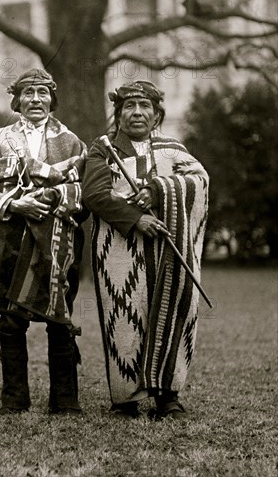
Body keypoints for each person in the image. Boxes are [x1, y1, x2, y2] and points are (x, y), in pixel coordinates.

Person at [83, 80, 209, 419]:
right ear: (119, 113)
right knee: (124, 316)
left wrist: (158, 190)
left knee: (174, 310)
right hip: (119, 250)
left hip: (169, 251)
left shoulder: (173, 149)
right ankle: (125, 399)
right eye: (130, 106)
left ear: (157, 115)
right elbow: (94, 194)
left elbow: (200, 181)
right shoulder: (104, 148)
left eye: (145, 107)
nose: (137, 113)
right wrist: (137, 219)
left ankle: (168, 396)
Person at [0, 68, 88, 416]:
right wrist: (16, 203)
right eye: (28, 93)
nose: (35, 99)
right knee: (11, 319)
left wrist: (54, 200)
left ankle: (65, 402)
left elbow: (83, 192)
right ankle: (14, 401)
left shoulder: (73, 142)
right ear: (17, 100)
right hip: (10, 238)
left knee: (59, 317)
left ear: (53, 99)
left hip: (57, 243)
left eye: (42, 92)